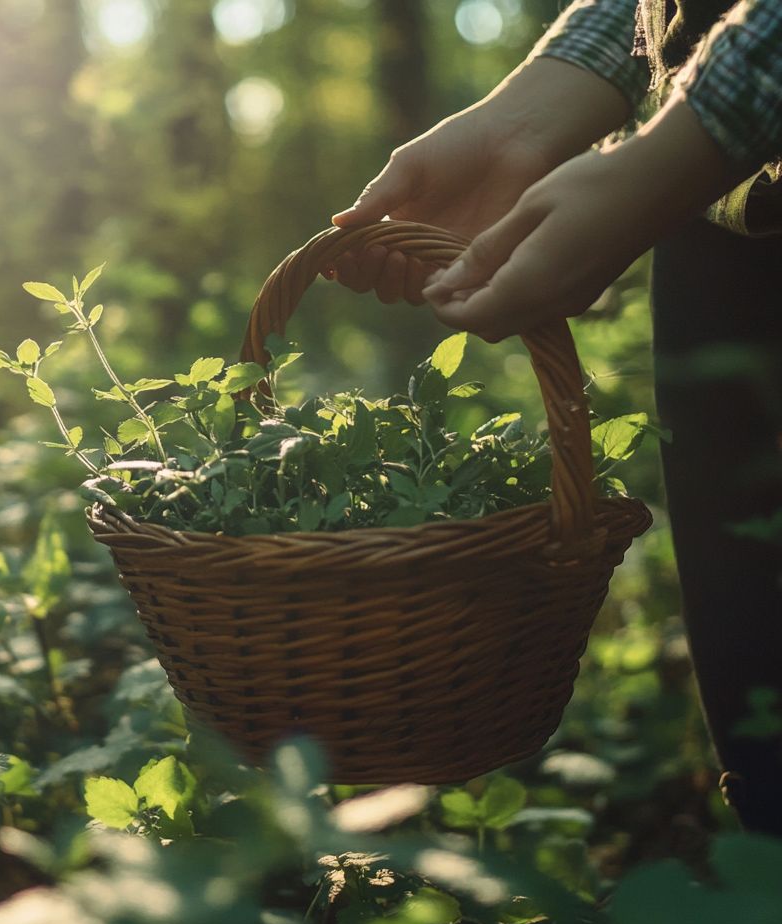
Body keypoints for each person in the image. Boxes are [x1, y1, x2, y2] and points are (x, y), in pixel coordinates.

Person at [327, 0, 782, 835]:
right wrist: (524, 118)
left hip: (704, 155)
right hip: (722, 202)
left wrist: (672, 154)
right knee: (761, 709)